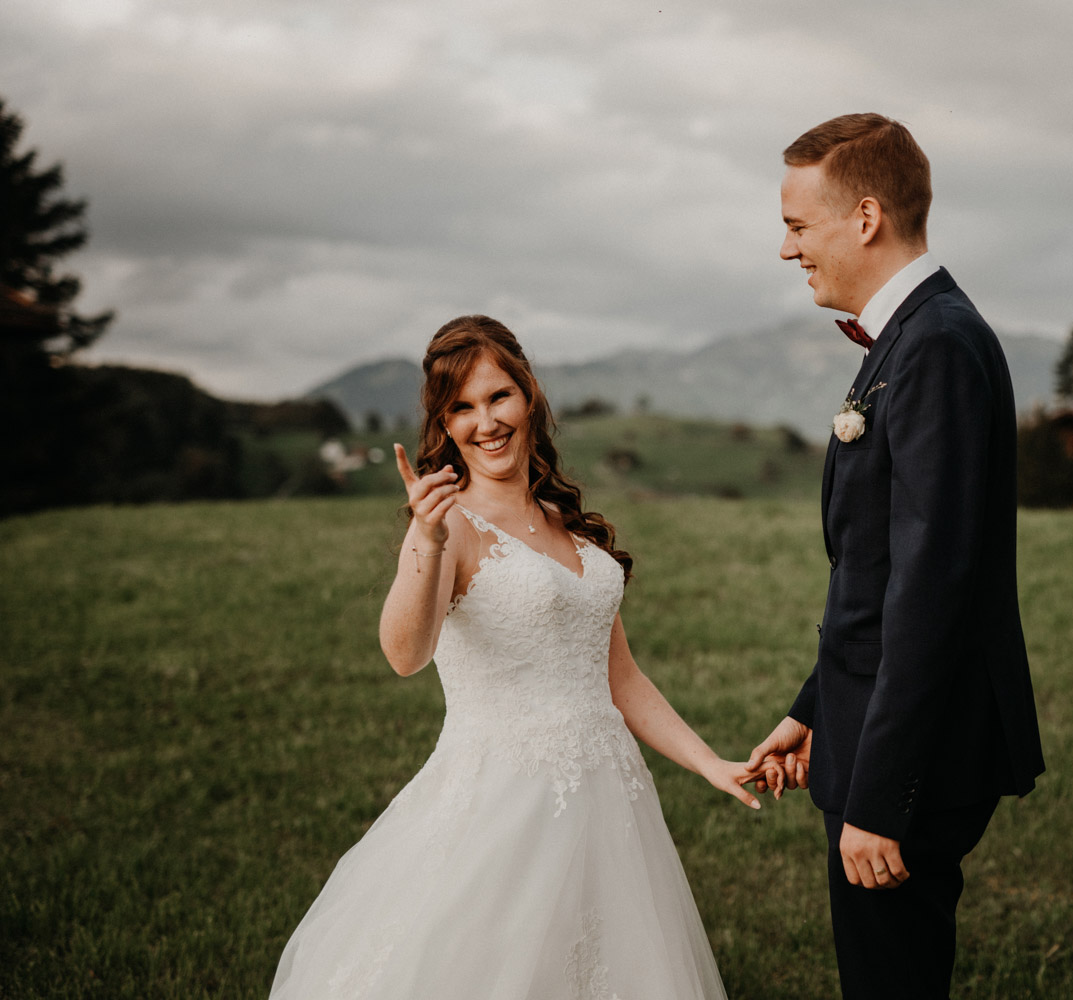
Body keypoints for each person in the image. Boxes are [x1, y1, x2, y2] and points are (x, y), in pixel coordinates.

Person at [270, 315, 779, 999]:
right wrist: (423, 538)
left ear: (529, 395)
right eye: (463, 408)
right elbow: (404, 653)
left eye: (498, 396)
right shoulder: (448, 524)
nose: (486, 421)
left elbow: (620, 678)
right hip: (502, 806)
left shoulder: (566, 522)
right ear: (445, 426)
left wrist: (708, 761)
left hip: (608, 801)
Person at [747, 113, 1046, 1000]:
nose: (786, 248)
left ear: (866, 218)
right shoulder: (909, 341)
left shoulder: (938, 348)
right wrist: (814, 708)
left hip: (913, 759)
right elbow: (876, 572)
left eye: (798, 225)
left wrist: (879, 799)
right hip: (873, 726)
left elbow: (932, 587)